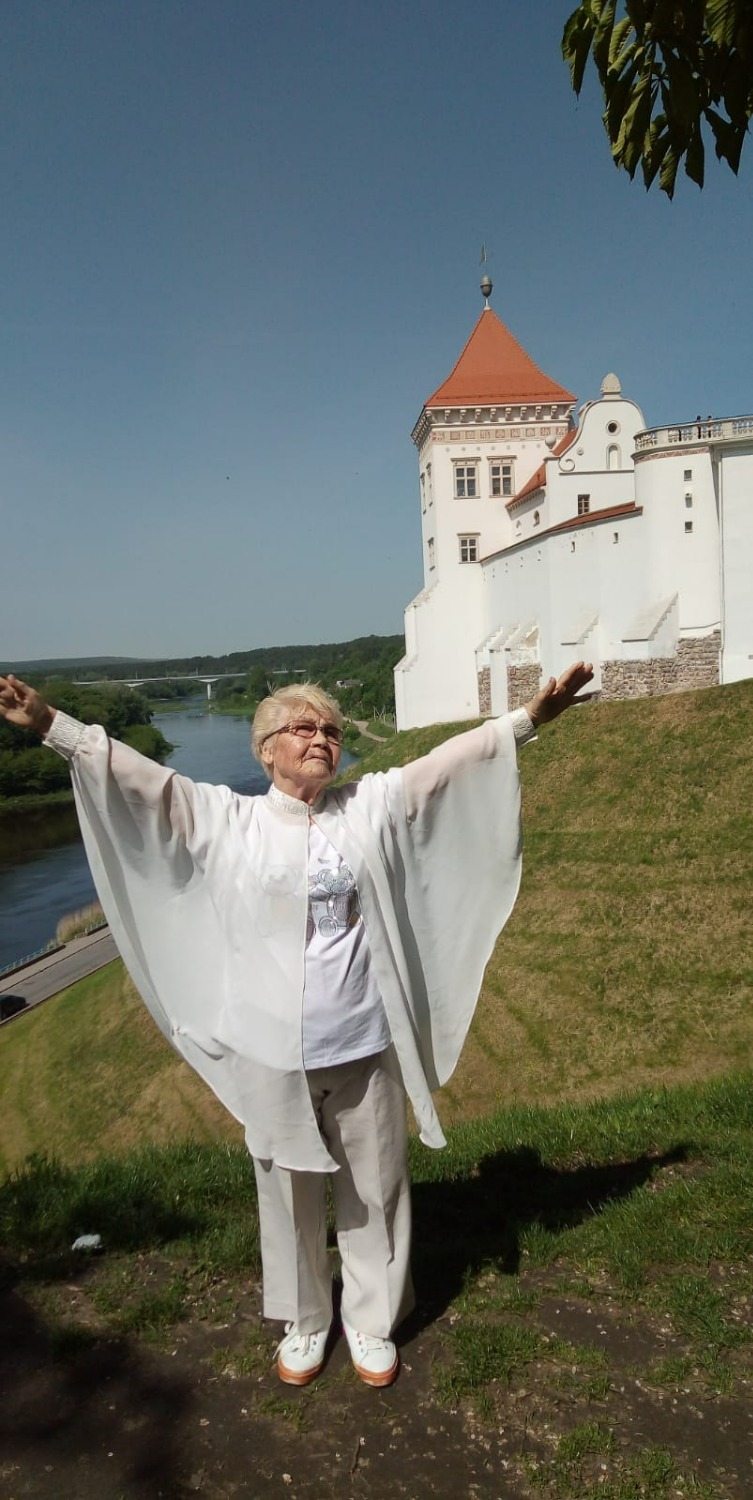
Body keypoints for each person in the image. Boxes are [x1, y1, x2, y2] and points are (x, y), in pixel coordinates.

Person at [0, 662, 593, 1387]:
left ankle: (370, 1320)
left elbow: (446, 766)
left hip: (363, 1044)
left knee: (376, 1187)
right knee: (287, 1196)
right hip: (273, 1055)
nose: (322, 739)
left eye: (332, 730)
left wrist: (529, 719)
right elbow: (142, 781)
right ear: (266, 749)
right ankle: (306, 1319)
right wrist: (51, 724)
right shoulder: (228, 819)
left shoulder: (367, 806)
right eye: (303, 728)